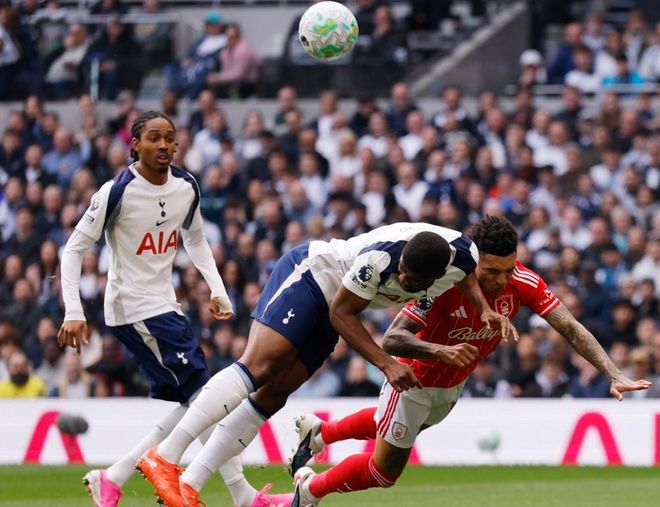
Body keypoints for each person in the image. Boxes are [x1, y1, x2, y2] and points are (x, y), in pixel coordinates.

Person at [136, 221, 515, 507]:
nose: (403, 280)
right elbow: (342, 313)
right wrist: (386, 364)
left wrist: (483, 309)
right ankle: (164, 456)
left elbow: (466, 274)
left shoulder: (464, 257)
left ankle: (190, 484)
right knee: (260, 367)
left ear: (436, 276)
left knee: (273, 395)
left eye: (411, 280)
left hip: (338, 304)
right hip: (314, 276)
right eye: (402, 272)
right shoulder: (379, 260)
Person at [288, 216, 652, 506]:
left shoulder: (522, 281)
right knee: (384, 472)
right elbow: (394, 338)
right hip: (413, 381)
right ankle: (309, 490)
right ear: (472, 262)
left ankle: (320, 433)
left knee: (391, 427)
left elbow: (570, 327)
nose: (503, 280)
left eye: (509, 268)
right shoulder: (443, 283)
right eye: (492, 271)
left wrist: (612, 372)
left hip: (452, 385)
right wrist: (440, 351)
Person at [57, 111, 285, 507]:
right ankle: (242, 495)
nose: (163, 145)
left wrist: (217, 287)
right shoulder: (116, 191)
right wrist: (73, 310)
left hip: (165, 304)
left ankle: (113, 477)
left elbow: (195, 238)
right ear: (135, 144)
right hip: (133, 308)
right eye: (154, 138)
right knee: (204, 394)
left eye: (170, 138)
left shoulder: (186, 186)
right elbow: (74, 249)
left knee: (197, 400)